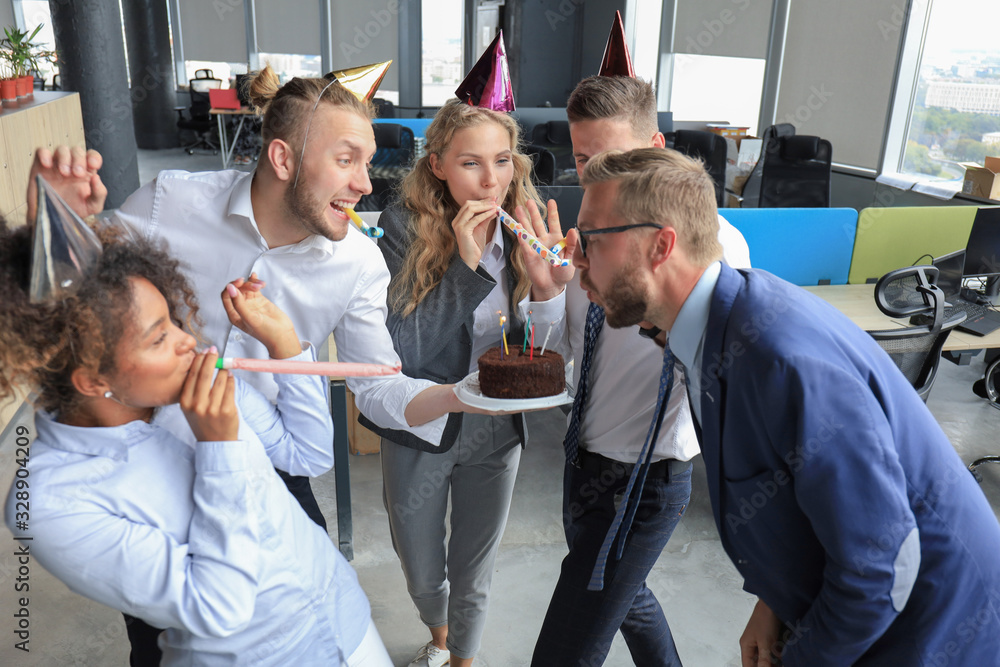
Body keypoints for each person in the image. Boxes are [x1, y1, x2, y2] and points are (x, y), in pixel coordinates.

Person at [30, 66, 477, 664]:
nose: (366, 185)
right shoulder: (169, 202)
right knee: (165, 640)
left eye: (367, 163)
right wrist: (62, 221)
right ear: (283, 159)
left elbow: (377, 387)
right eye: (347, 160)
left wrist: (458, 395)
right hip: (146, 467)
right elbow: (79, 307)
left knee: (313, 593)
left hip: (274, 453)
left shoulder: (358, 262)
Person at [569, 146, 1000, 666]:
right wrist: (773, 600)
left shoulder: (781, 359)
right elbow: (800, 497)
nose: (575, 257)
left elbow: (882, 567)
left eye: (590, 238)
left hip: (931, 632)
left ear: (661, 246)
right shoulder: (714, 329)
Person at [0, 220, 392, 665]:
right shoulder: (50, 504)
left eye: (172, 319)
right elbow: (218, 606)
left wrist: (284, 344)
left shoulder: (185, 388)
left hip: (342, 617)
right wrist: (220, 449)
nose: (189, 341)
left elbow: (309, 452)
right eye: (160, 337)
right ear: (92, 380)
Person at [531, 74, 750, 667]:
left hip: (647, 480)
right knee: (628, 601)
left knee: (570, 645)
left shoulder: (714, 248)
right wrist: (548, 292)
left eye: (612, 158)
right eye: (581, 159)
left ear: (655, 148)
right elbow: (559, 358)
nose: (594, 173)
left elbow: (718, 373)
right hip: (582, 460)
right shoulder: (580, 240)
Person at [373, 98, 571, 667]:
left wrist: (547, 290)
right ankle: (438, 632)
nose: (492, 180)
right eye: (470, 164)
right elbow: (406, 349)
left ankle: (463, 656)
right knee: (418, 559)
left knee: (476, 563)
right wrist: (464, 267)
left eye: (503, 161)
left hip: (497, 422)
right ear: (436, 165)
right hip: (424, 418)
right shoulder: (403, 226)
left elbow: (545, 354)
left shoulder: (526, 225)